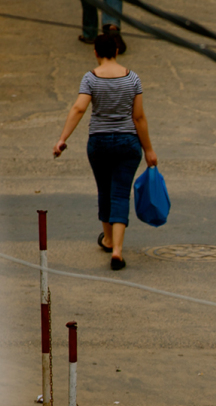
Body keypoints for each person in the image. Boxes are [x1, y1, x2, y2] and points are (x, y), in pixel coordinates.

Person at [51, 31, 156, 271]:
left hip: (98, 143)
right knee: (120, 193)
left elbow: (79, 108)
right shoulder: (133, 79)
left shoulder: (90, 78)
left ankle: (107, 239)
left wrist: (62, 139)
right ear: (117, 51)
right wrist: (149, 150)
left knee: (104, 190)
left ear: (96, 52)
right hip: (128, 143)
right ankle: (117, 249)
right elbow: (138, 118)